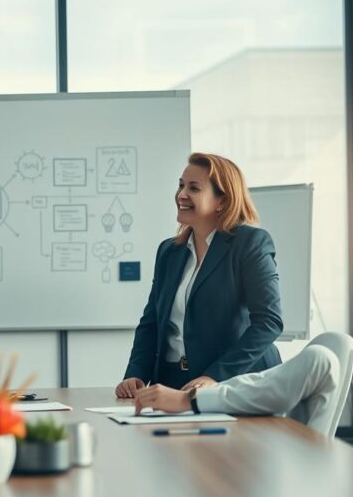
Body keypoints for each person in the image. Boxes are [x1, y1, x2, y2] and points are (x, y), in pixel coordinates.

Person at [116, 152, 283, 397]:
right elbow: (152, 322)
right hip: (174, 383)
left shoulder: (250, 244)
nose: (181, 194)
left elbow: (269, 322)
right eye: (181, 185)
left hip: (237, 382)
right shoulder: (169, 251)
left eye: (194, 188)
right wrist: (136, 374)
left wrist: (215, 376)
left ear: (222, 201)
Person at [131, 344, 341, 433]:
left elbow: (274, 394)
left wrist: (188, 401)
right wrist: (193, 396)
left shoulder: (321, 357)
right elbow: (259, 381)